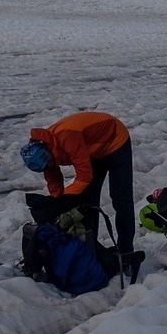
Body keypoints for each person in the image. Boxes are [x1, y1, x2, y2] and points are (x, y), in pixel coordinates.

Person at [21, 110, 139, 277]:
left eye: (49, 163)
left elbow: (85, 175)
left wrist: (67, 199)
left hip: (115, 141)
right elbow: (55, 183)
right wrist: (57, 206)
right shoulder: (43, 155)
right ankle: (91, 250)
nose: (49, 167)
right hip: (93, 151)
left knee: (121, 199)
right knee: (88, 202)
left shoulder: (67, 137)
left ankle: (126, 252)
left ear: (47, 152)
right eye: (44, 168)